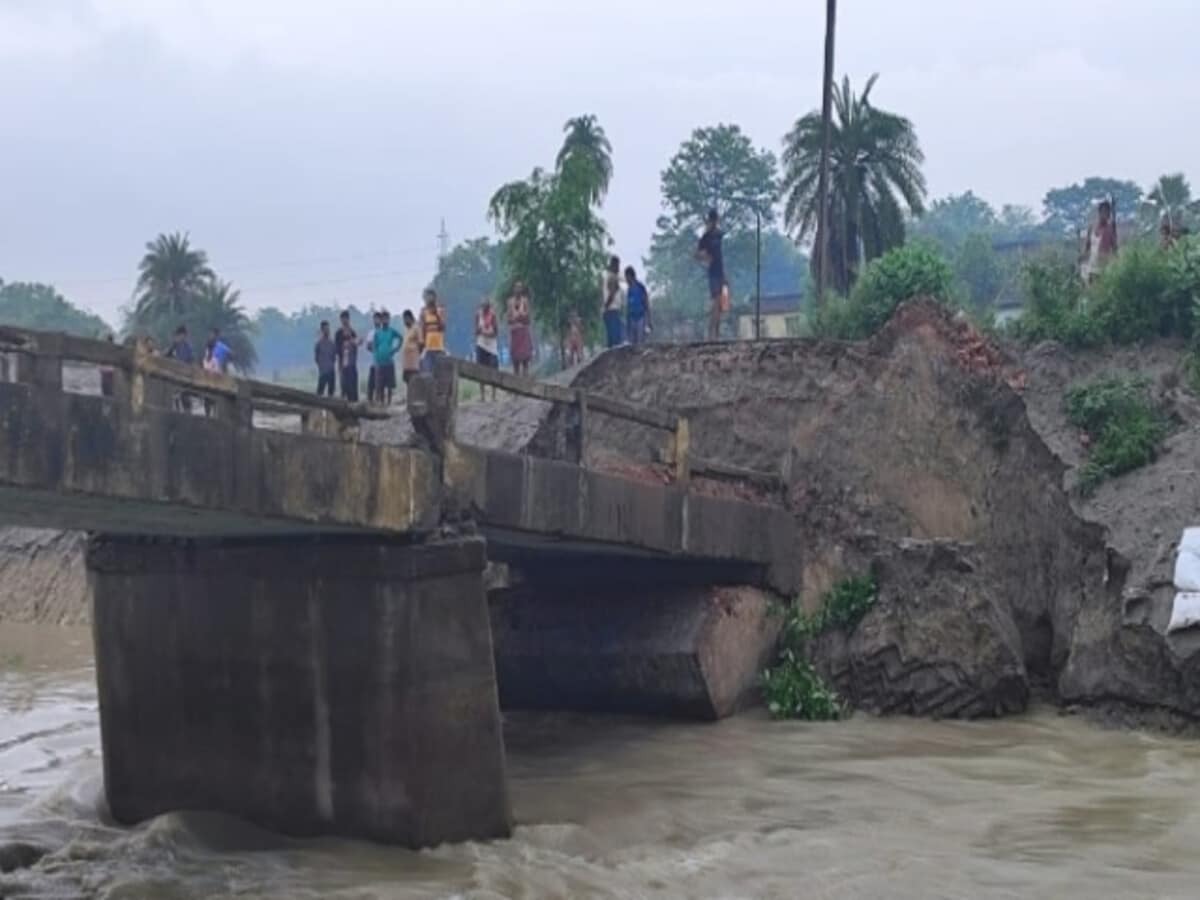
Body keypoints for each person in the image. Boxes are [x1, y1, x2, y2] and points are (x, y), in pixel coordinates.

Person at [697, 208, 727, 340]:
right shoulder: (706, 237)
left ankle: (717, 333)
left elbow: (721, 255)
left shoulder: (719, 235)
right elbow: (697, 254)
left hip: (720, 271)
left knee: (720, 305)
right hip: (713, 272)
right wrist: (706, 258)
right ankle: (711, 334)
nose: (714, 222)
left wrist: (725, 274)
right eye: (712, 220)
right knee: (715, 302)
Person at [1081, 199, 1118, 283]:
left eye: (1108, 213)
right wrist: (1082, 260)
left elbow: (1115, 249)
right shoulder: (1092, 228)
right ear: (1100, 212)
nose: (1106, 215)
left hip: (1103, 269)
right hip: (1091, 268)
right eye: (1105, 212)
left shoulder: (1110, 230)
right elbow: (1087, 248)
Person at [371, 310, 402, 405]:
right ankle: (381, 402)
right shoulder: (378, 333)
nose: (385, 320)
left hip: (389, 361)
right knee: (380, 385)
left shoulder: (392, 331)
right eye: (383, 319)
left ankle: (389, 402)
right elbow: (374, 346)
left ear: (389, 320)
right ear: (381, 320)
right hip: (380, 362)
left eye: (387, 318)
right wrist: (376, 358)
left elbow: (401, 338)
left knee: (389, 385)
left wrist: (396, 349)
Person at [165, 325, 196, 412]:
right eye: (178, 335)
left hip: (185, 375)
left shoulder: (187, 346)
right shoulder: (175, 345)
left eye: (180, 335)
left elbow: (189, 360)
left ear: (183, 335)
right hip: (175, 374)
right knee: (175, 397)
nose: (178, 337)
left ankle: (187, 415)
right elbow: (166, 355)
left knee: (185, 398)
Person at [475, 296, 500, 400]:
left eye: (486, 307)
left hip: (491, 345)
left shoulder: (493, 315)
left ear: (489, 307)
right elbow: (475, 331)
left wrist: (488, 333)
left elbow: (496, 332)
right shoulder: (478, 315)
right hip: (481, 344)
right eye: (483, 306)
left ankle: (493, 395)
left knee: (493, 369)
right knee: (481, 370)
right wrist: (480, 330)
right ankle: (482, 396)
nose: (484, 309)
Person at [507, 281, 533, 376]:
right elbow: (509, 319)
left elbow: (528, 318)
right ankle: (515, 386)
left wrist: (519, 316)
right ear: (513, 289)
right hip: (515, 332)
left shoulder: (525, 301)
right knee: (515, 362)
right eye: (516, 287)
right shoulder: (510, 302)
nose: (518, 289)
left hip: (524, 332)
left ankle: (526, 385)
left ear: (522, 290)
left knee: (525, 361)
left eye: (520, 287)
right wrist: (518, 317)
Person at [419, 289, 447, 374]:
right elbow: (422, 329)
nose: (429, 299)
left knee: (440, 374)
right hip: (428, 348)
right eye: (427, 297)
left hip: (439, 347)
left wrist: (436, 315)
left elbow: (443, 327)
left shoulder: (440, 310)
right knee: (428, 374)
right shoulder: (423, 312)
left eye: (431, 297)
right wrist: (421, 345)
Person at [335, 310, 359, 403]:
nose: (345, 321)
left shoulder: (353, 332)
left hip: (352, 364)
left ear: (349, 319)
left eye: (346, 318)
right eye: (343, 319)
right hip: (343, 364)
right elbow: (337, 350)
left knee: (353, 386)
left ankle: (354, 404)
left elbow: (356, 348)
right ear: (341, 320)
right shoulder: (338, 334)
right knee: (344, 386)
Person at [601, 255, 624, 348]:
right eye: (618, 265)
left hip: (612, 310)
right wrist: (605, 307)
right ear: (613, 265)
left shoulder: (610, 277)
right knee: (615, 340)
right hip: (611, 310)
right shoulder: (612, 277)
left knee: (612, 339)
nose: (619, 268)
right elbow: (612, 293)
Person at [625, 266, 651, 347]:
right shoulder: (629, 290)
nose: (626, 279)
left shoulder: (640, 287)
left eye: (627, 277)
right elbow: (629, 305)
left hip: (640, 318)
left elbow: (646, 303)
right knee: (632, 344)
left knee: (640, 343)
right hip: (632, 318)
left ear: (630, 276)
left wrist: (649, 320)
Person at [315, 320, 337, 397]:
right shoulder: (319, 344)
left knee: (331, 393)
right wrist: (321, 366)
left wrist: (330, 365)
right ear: (322, 330)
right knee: (319, 393)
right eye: (325, 329)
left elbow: (334, 357)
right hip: (323, 371)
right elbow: (316, 358)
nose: (327, 331)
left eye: (328, 329)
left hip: (331, 370)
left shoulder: (332, 343)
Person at [365, 311, 383, 404]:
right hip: (374, 361)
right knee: (371, 383)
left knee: (381, 384)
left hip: (383, 362)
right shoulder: (371, 333)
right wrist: (375, 348)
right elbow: (368, 346)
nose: (376, 321)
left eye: (378, 319)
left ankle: (380, 401)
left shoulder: (383, 332)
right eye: (375, 319)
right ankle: (370, 401)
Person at [401, 309, 422, 385]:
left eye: (406, 319)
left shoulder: (416, 328)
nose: (405, 321)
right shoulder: (407, 330)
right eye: (404, 319)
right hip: (406, 363)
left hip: (414, 363)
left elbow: (421, 343)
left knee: (413, 382)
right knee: (407, 382)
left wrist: (417, 354)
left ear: (410, 318)